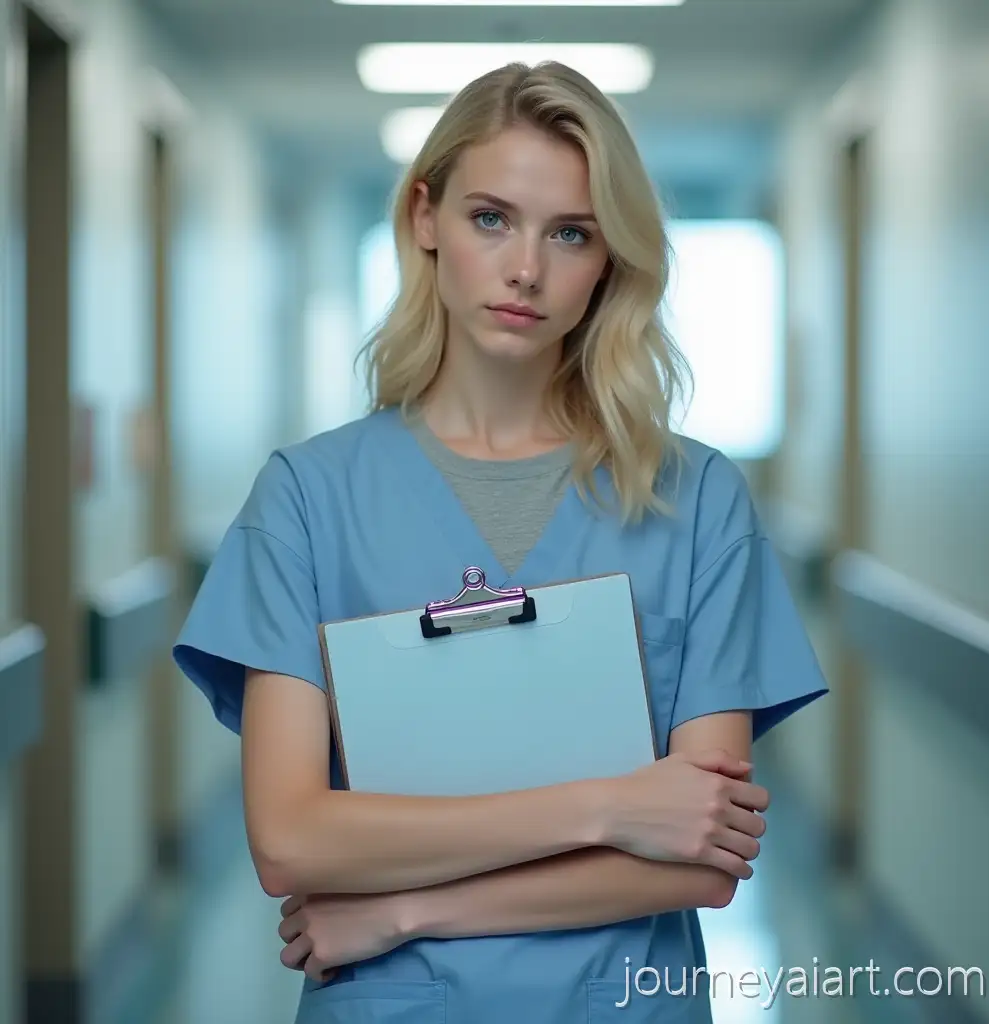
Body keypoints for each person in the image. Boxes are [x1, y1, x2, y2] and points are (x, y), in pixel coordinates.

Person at [173, 60, 828, 1024]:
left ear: (611, 260)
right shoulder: (308, 499)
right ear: (425, 217)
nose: (527, 268)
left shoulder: (697, 501)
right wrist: (611, 809)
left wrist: (403, 907)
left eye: (571, 233)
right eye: (492, 218)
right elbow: (291, 840)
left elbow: (699, 859)